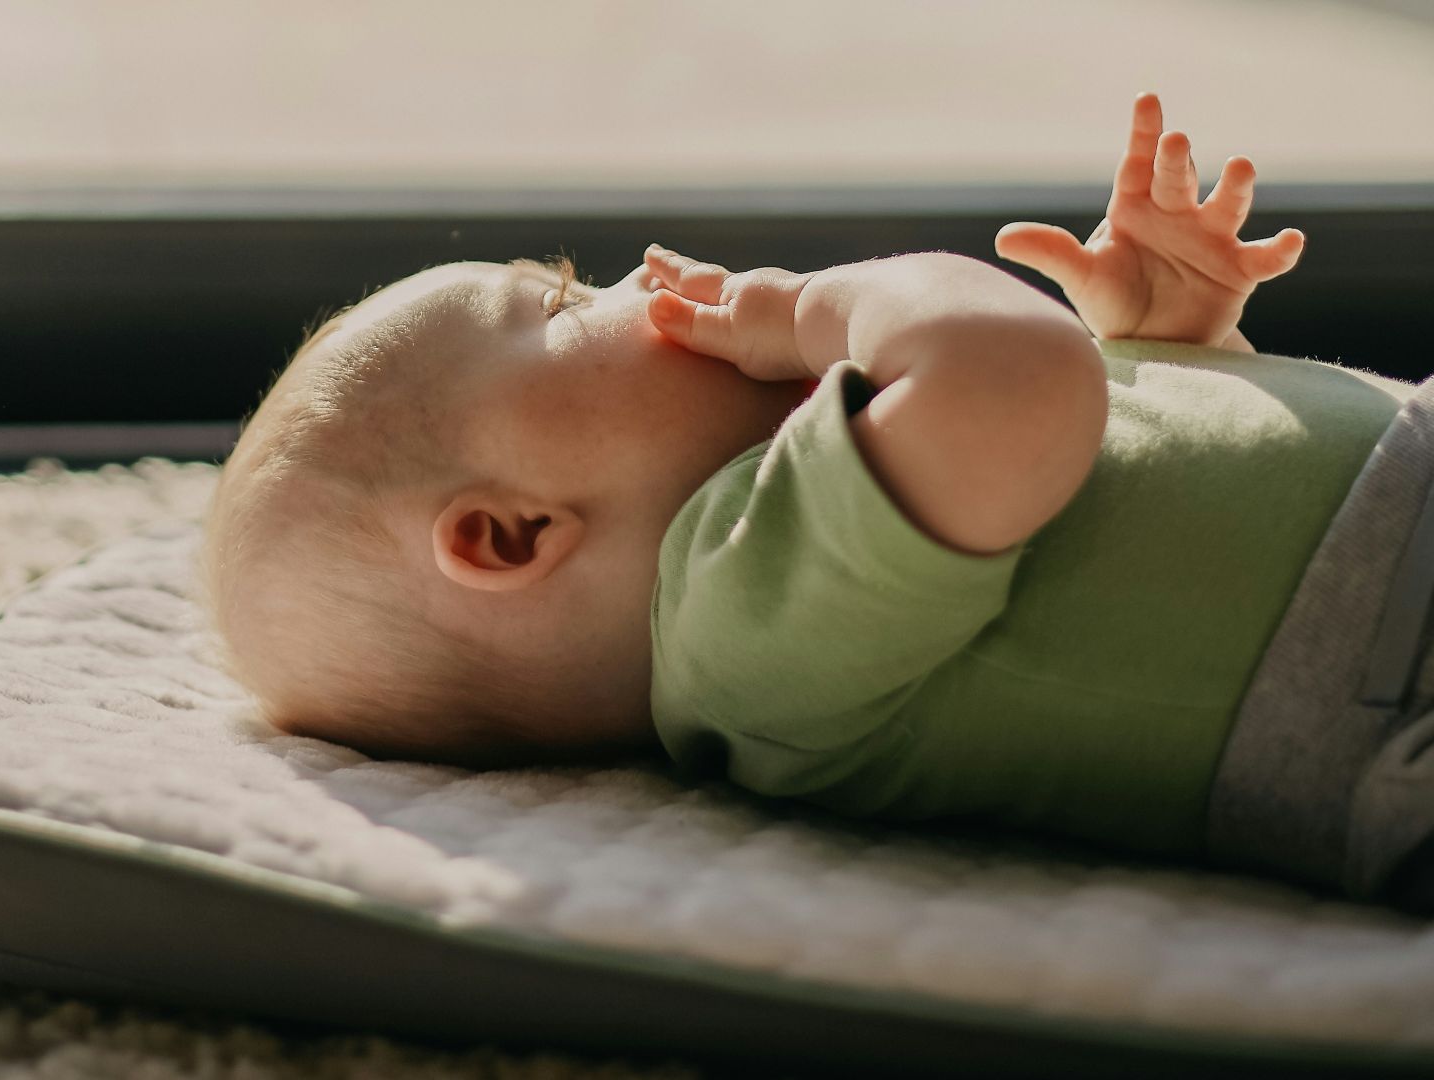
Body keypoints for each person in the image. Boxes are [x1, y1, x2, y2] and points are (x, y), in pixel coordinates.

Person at [201, 93, 1434, 909]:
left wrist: (1166, 341)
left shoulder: (830, 485)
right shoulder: (742, 619)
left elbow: (1118, 469)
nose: (639, 274)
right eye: (568, 304)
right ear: (512, 534)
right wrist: (818, 304)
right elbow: (1015, 383)